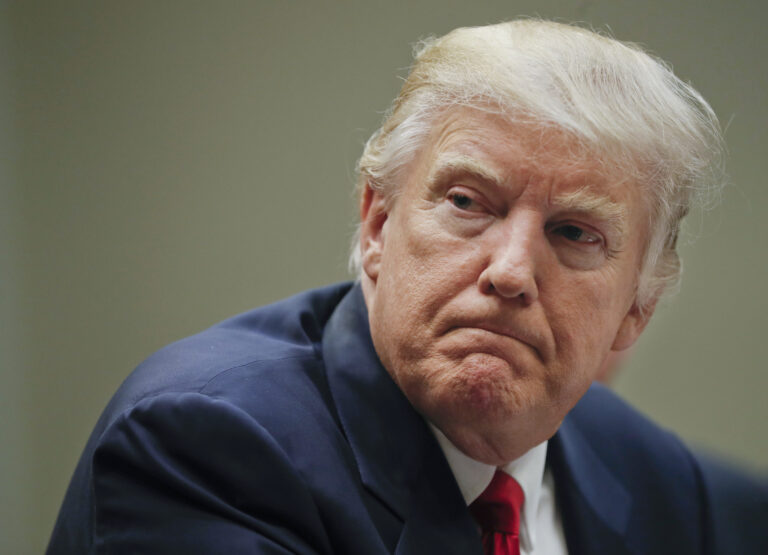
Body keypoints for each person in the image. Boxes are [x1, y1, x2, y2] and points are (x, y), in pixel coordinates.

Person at [47, 19, 766, 554]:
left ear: (635, 310)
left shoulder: (657, 479)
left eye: (575, 233)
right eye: (467, 202)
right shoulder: (204, 444)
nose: (511, 271)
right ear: (377, 224)